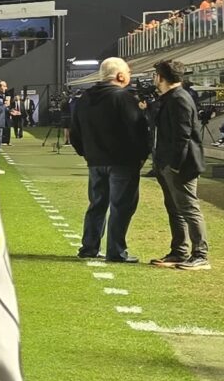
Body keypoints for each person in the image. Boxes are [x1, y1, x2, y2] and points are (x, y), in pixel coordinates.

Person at [67, 58, 148, 262]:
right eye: (128, 72)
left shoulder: (84, 98)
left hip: (95, 161)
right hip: (122, 161)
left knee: (97, 204)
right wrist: (141, 155)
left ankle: (89, 247)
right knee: (121, 206)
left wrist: (87, 154)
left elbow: (74, 131)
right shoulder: (124, 97)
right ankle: (116, 251)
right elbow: (137, 130)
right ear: (120, 76)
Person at [147, 58, 209, 270]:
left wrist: (174, 165)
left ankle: (200, 254)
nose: (153, 79)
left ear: (161, 77)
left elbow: (182, 137)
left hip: (181, 165)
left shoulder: (179, 99)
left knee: (189, 208)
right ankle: (179, 251)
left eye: (155, 75)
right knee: (175, 209)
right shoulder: (169, 98)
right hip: (167, 163)